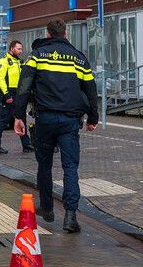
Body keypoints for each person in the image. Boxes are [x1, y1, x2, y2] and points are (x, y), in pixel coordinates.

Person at [13, 19, 98, 233]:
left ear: (48, 34)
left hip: (45, 119)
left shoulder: (37, 56)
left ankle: (48, 208)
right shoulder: (78, 58)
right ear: (65, 34)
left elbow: (24, 87)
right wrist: (93, 118)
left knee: (45, 164)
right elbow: (90, 89)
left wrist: (18, 116)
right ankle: (70, 216)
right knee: (70, 167)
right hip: (70, 120)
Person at [0, 40, 33, 154]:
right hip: (10, 93)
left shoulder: (18, 62)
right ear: (11, 49)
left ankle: (26, 145)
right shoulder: (4, 61)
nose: (20, 51)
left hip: (18, 94)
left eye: (21, 49)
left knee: (22, 118)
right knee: (3, 120)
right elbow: (0, 79)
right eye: (18, 49)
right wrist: (7, 94)